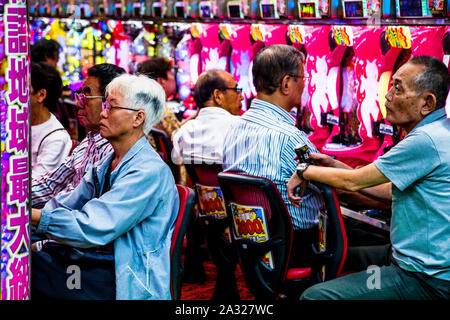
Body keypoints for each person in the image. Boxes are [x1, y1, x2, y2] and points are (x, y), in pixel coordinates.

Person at [286, 55, 450, 299]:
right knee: (328, 253)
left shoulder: (424, 140)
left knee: (315, 297)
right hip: (411, 258)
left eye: (398, 88)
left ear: (427, 102)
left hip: (423, 278)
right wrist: (333, 164)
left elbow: (355, 182)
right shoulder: (437, 131)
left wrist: (304, 171)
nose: (387, 95)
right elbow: (387, 190)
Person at [31, 73, 179, 300]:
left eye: (111, 107)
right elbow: (68, 202)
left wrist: (33, 217)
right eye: (105, 106)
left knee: (30, 269)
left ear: (138, 118)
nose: (102, 113)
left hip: (124, 280)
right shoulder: (109, 160)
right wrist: (28, 219)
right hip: (95, 262)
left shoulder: (148, 171)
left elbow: (93, 227)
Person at [222, 44, 323, 268]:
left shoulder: (233, 128)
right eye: (303, 77)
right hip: (299, 247)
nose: (306, 84)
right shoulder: (291, 138)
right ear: (286, 83)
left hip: (256, 244)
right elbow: (339, 187)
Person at [32, 63, 126, 209]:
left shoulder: (116, 151)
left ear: (109, 103)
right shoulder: (88, 142)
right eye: (80, 95)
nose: (78, 103)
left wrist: (40, 218)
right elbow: (49, 185)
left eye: (86, 96)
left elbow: (86, 212)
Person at [172, 69, 243, 164]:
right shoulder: (243, 129)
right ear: (217, 96)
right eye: (236, 90)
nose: (241, 97)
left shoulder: (181, 134)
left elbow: (178, 170)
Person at [31, 62, 72, 180]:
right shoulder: (15, 123)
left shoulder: (56, 138)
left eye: (23, 88)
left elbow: (35, 186)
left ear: (41, 95)